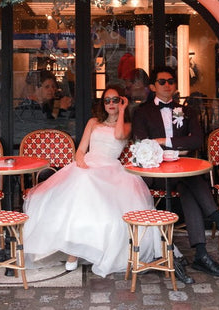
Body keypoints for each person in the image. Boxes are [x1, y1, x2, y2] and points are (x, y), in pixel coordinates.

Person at [22, 85, 156, 277]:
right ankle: (72, 251)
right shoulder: (93, 122)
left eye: (115, 100)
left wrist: (123, 110)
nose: (111, 104)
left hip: (110, 169)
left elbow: (119, 136)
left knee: (90, 191)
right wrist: (80, 163)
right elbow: (81, 149)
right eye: (107, 100)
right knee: (80, 187)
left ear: (121, 101)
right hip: (88, 164)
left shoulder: (126, 125)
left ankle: (81, 251)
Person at [131, 66, 219, 283]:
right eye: (162, 82)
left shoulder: (186, 110)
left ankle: (201, 253)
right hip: (156, 173)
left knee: (188, 186)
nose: (168, 85)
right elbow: (143, 144)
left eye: (171, 81)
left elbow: (196, 141)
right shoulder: (141, 112)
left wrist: (164, 142)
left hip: (181, 172)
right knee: (192, 179)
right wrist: (176, 149)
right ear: (153, 87)